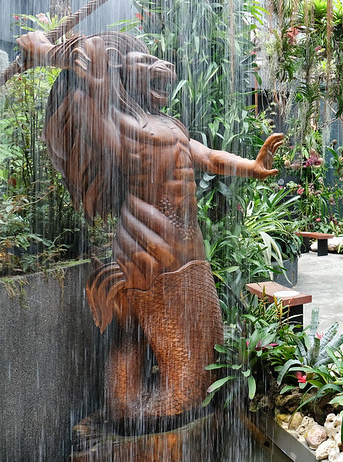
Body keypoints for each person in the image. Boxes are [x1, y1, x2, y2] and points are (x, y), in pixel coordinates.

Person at [16, 30, 284, 423]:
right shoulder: (113, 121)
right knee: (189, 391)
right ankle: (126, 411)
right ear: (122, 74)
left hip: (190, 255)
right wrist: (43, 51)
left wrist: (252, 167)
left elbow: (207, 156)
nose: (164, 69)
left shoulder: (169, 124)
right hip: (149, 253)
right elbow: (89, 60)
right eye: (147, 64)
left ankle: (127, 400)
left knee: (206, 369)